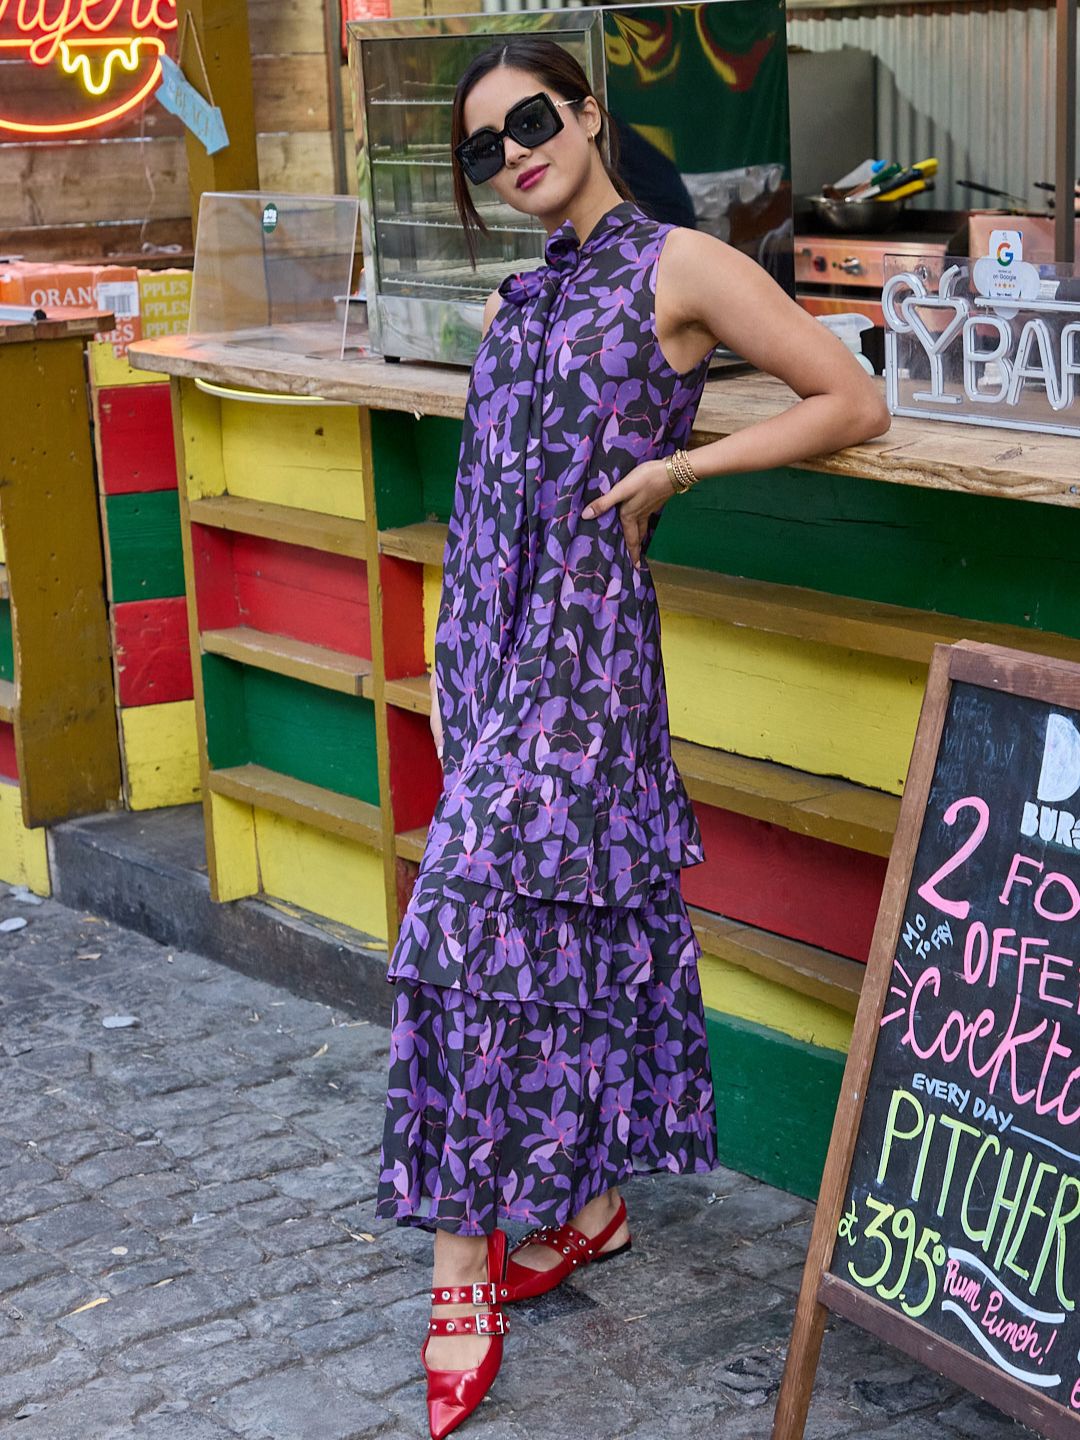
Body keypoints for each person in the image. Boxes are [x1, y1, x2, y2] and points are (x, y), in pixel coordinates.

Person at [373, 35, 891, 1440]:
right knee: (542, 929)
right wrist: (438, 643)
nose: (514, 154)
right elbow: (486, 499)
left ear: (591, 112)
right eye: (484, 147)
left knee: (463, 937)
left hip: (586, 671)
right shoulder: (516, 302)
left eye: (531, 119)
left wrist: (680, 464)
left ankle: (461, 1269)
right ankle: (587, 1207)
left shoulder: (679, 266)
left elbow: (852, 398)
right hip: (486, 655)